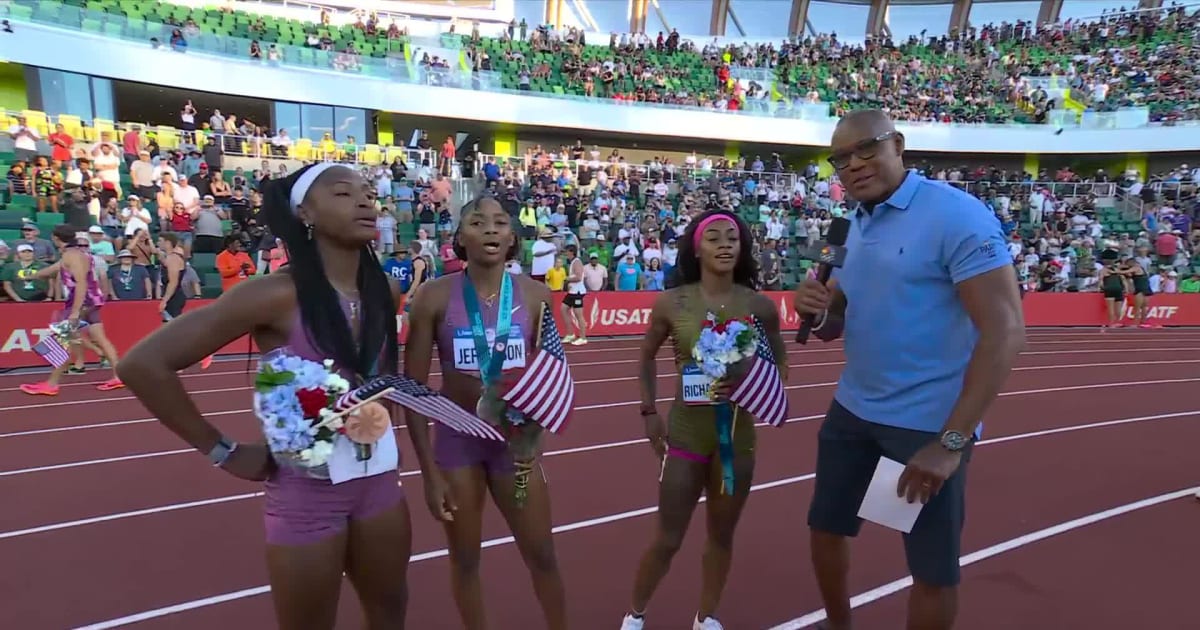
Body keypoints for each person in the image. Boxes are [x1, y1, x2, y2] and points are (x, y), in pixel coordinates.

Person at [116, 163, 412, 629]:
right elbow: (141, 365)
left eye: (368, 193)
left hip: (379, 481)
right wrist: (222, 450)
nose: (364, 201)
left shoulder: (386, 290)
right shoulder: (272, 294)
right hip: (306, 495)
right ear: (305, 214)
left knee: (390, 612)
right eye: (343, 193)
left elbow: (381, 378)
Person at [792, 109, 1025, 630]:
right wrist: (821, 310)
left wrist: (951, 443)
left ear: (898, 144)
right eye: (840, 159)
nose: (852, 165)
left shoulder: (955, 215)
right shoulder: (853, 222)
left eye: (866, 149)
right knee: (826, 532)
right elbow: (838, 323)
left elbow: (1006, 331)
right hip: (854, 411)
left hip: (923, 427)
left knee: (928, 568)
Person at [404, 196, 567, 630]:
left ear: (513, 237)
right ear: (460, 238)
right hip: (457, 442)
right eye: (478, 222)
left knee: (542, 554)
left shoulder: (536, 295)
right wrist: (427, 470)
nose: (491, 230)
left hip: (514, 444)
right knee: (465, 558)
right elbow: (414, 391)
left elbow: (550, 373)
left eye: (500, 223)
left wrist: (537, 436)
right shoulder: (433, 296)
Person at [620, 209, 786, 630]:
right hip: (685, 437)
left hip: (738, 438)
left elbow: (779, 363)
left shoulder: (760, 306)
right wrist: (648, 412)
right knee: (668, 538)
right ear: (697, 249)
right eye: (714, 238)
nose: (726, 244)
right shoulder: (672, 302)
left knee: (721, 536)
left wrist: (757, 383)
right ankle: (635, 615)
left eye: (732, 237)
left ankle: (706, 617)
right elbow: (645, 357)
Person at [19, 224, 124, 395]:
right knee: (100, 339)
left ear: (56, 238)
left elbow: (81, 282)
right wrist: (30, 275)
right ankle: (119, 375)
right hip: (92, 301)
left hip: (81, 302)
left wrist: (75, 312)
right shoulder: (75, 254)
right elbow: (53, 270)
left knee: (60, 341)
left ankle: (52, 384)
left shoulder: (72, 256)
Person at [560, 243, 588, 346]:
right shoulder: (571, 262)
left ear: (571, 252)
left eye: (566, 252)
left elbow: (579, 277)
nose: (565, 254)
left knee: (578, 315)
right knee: (563, 309)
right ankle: (570, 333)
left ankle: (583, 337)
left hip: (578, 293)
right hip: (572, 292)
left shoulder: (577, 262)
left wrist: (566, 279)